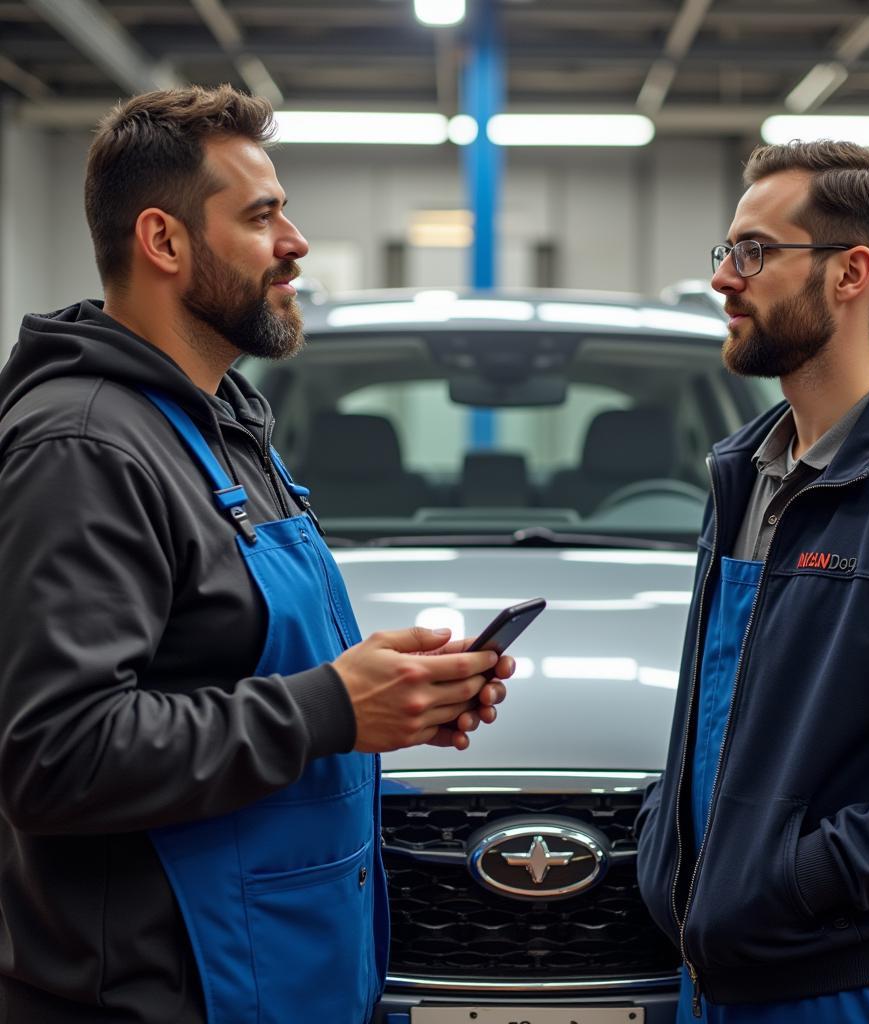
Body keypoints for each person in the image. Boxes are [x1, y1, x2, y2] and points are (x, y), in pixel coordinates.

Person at [0, 85, 513, 1024]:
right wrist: (329, 707)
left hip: (283, 968)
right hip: (160, 992)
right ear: (164, 242)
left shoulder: (225, 427)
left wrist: (396, 696)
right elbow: (54, 757)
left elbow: (230, 660)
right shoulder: (83, 448)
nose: (297, 242)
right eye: (263, 215)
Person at [636, 139, 869, 1023]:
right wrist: (676, 846)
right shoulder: (748, 473)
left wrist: (805, 878)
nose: (725, 280)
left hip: (854, 989)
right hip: (718, 982)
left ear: (852, 274)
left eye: (755, 253)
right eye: (727, 253)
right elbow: (734, 709)